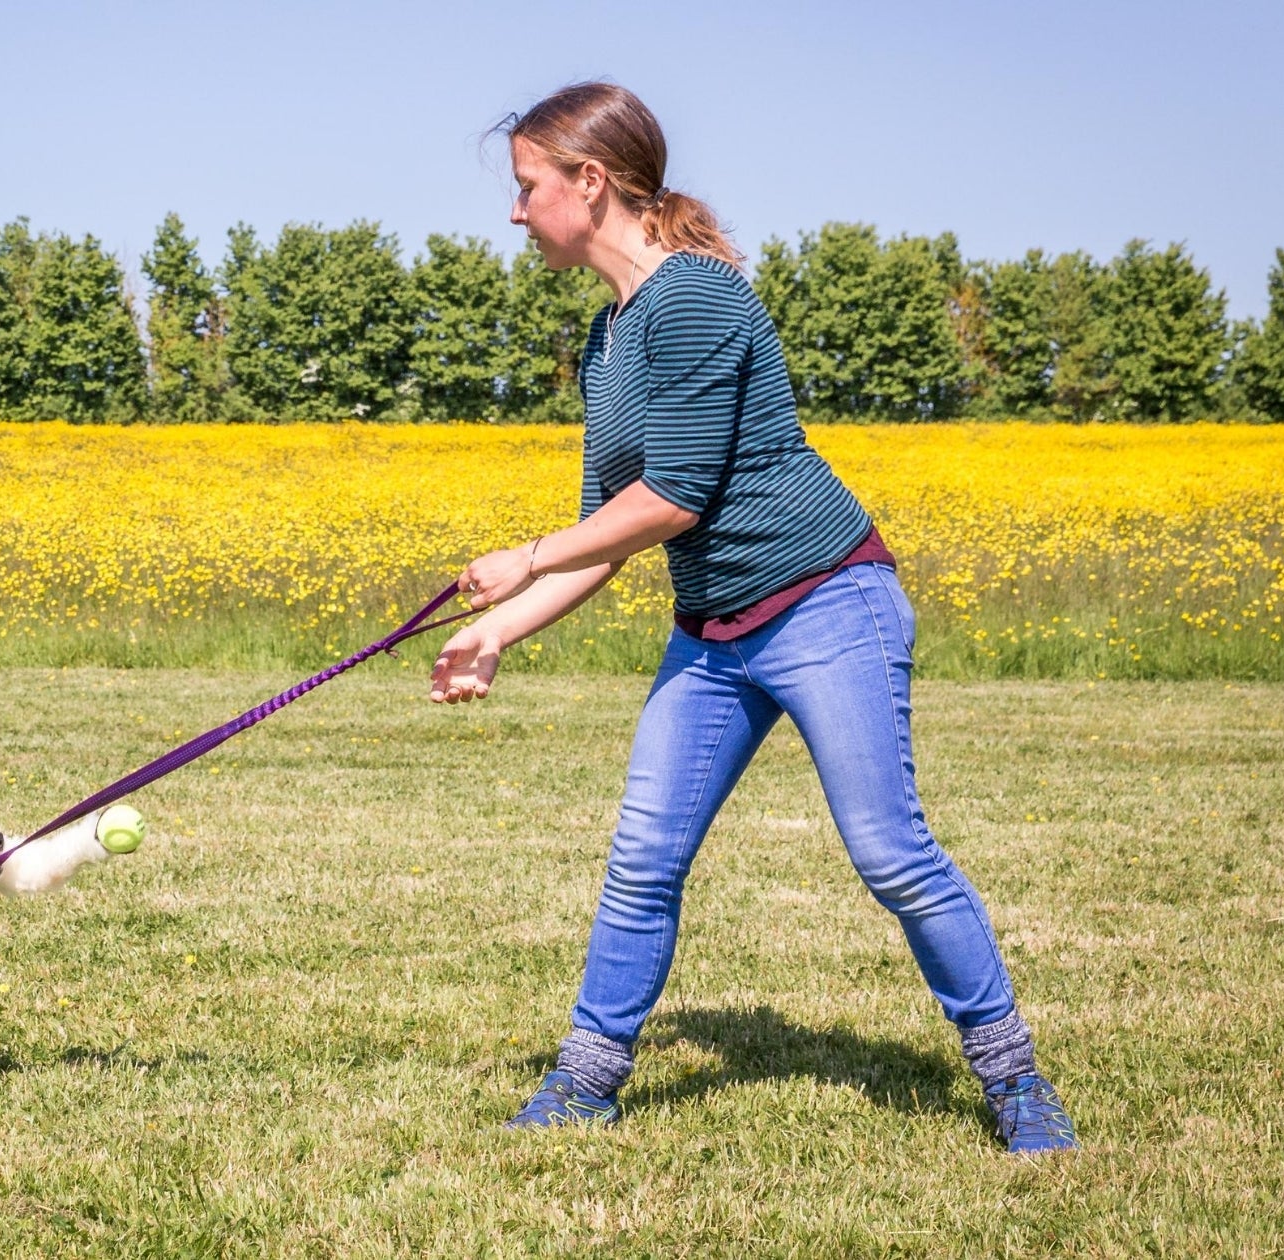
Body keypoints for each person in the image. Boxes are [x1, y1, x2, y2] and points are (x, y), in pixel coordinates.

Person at [428, 81, 1075, 1153]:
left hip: (827, 599)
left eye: (525, 187)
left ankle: (1013, 1083)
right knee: (642, 858)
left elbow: (671, 497)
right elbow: (614, 525)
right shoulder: (607, 340)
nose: (512, 212)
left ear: (588, 183)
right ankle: (583, 1084)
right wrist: (497, 630)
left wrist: (523, 558)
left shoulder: (696, 299)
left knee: (888, 854)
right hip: (712, 632)